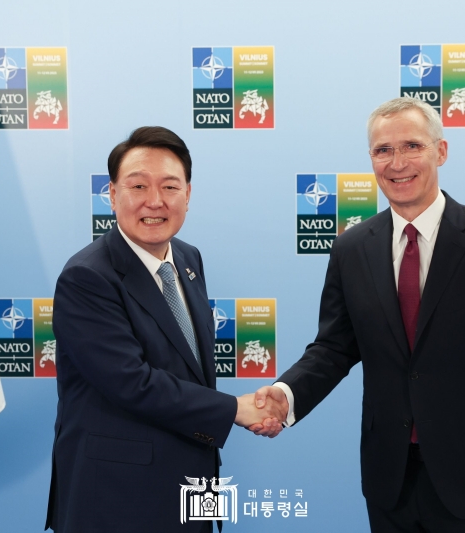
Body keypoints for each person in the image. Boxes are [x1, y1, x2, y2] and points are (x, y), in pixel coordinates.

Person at [253, 98, 465, 532]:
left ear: (440, 152)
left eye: (412, 146)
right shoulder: (351, 248)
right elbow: (334, 346)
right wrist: (287, 394)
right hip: (389, 474)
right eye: (382, 150)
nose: (397, 163)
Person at [45, 126, 283, 532]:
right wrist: (235, 410)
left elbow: (187, 367)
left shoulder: (188, 259)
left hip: (192, 489)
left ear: (187, 195)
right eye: (137, 186)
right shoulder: (87, 277)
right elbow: (131, 383)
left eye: (169, 187)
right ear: (112, 194)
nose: (154, 201)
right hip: (117, 500)